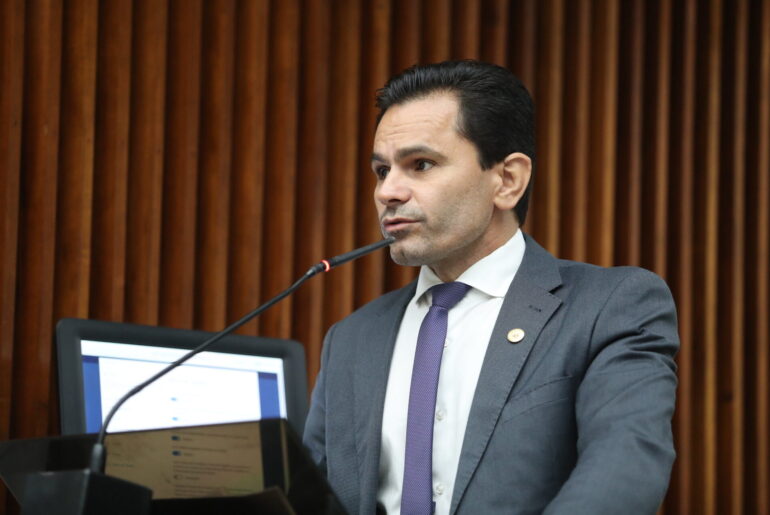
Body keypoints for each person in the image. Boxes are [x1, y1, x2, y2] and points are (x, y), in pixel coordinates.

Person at [303, 60, 678, 515]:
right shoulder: (350, 339)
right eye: (382, 171)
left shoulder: (608, 308)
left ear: (507, 180)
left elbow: (625, 471)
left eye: (421, 164)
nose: (388, 192)